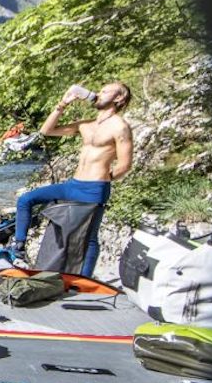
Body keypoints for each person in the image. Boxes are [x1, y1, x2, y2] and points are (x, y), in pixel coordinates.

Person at [11, 82, 133, 276]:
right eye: (99, 90)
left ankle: (84, 281)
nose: (99, 93)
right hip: (73, 184)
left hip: (95, 187)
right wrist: (63, 104)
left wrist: (103, 180)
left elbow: (125, 165)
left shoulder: (120, 127)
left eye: (105, 91)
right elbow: (47, 131)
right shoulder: (86, 124)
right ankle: (18, 248)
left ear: (119, 98)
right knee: (26, 199)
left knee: (88, 237)